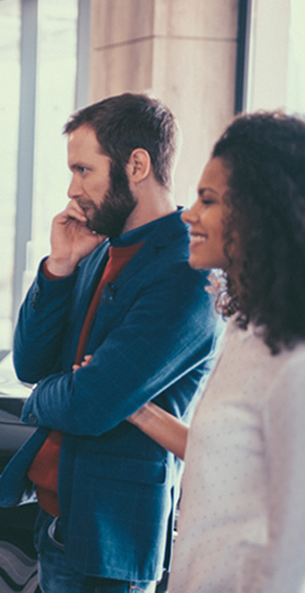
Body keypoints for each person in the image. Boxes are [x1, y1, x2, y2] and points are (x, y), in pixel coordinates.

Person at [0, 93, 221, 593]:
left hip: (111, 542)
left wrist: (43, 397)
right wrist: (59, 267)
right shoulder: (97, 248)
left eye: (83, 170)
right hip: (57, 522)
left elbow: (91, 404)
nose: (72, 189)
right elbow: (30, 363)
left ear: (136, 165)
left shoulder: (187, 273)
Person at [126, 112, 305, 592]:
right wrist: (140, 412)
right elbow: (225, 457)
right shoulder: (247, 330)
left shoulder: (296, 366)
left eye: (208, 200)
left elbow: (293, 557)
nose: (189, 213)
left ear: (259, 213)